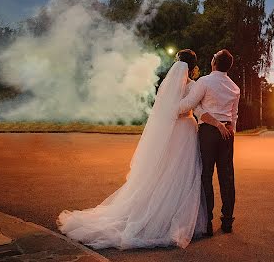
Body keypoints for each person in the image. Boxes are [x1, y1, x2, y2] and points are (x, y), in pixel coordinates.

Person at [57, 49, 225, 250]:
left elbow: (165, 109)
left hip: (172, 133)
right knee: (183, 173)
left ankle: (162, 210)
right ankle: (175, 215)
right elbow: (193, 108)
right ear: (194, 66)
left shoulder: (170, 85)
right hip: (186, 130)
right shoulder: (194, 86)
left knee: (166, 170)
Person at [178, 49, 240, 236]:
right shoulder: (235, 87)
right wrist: (231, 129)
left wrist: (168, 107)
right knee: (227, 177)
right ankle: (227, 220)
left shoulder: (204, 81)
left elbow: (189, 104)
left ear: (214, 62)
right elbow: (235, 114)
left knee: (206, 175)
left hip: (208, 132)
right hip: (227, 132)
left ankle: (207, 223)